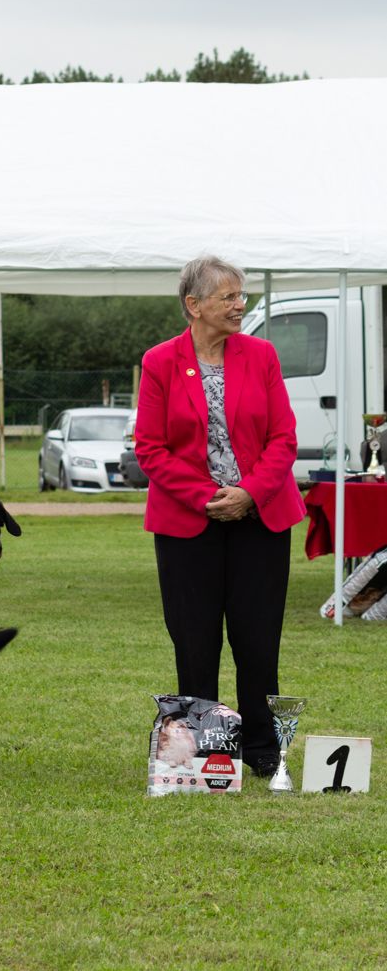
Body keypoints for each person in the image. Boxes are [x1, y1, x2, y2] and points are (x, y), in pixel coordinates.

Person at [134, 256, 306, 776]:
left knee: (257, 638)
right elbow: (150, 448)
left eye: (240, 295)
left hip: (262, 519)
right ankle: (209, 750)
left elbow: (284, 439)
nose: (240, 305)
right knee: (195, 638)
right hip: (188, 524)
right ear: (194, 305)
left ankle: (261, 749)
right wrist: (210, 496)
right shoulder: (161, 361)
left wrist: (249, 493)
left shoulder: (262, 356)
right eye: (228, 297)